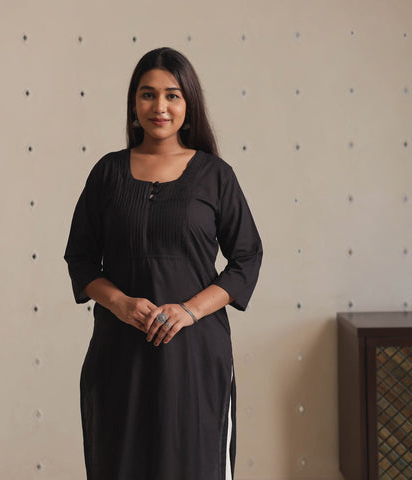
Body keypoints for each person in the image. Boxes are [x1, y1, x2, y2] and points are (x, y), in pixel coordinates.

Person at [64, 47, 263, 480]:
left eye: (172, 95)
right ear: (134, 104)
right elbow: (80, 258)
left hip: (194, 358)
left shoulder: (215, 175)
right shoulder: (107, 174)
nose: (160, 107)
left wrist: (189, 311)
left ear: (188, 104)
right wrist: (120, 303)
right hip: (119, 354)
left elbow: (247, 256)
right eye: (148, 94)